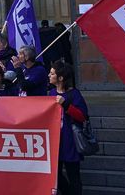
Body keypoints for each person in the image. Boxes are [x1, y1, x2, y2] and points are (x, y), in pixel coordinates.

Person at [50, 60, 88, 195]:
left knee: (74, 177)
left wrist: (66, 105)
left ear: (60, 78)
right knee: (56, 176)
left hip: (70, 141)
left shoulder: (74, 94)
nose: (49, 75)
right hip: (54, 141)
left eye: (52, 73)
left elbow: (82, 116)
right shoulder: (50, 93)